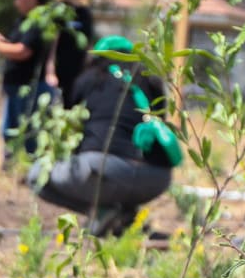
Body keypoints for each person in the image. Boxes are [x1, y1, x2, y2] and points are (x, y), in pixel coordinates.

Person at [29, 36, 178, 236]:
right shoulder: (151, 81)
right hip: (155, 177)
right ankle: (122, 219)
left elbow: (71, 126)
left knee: (37, 175)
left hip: (102, 171)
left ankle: (102, 211)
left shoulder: (89, 78)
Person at [0, 0, 54, 159]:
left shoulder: (38, 20)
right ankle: (12, 169)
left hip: (27, 89)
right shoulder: (24, 20)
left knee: (26, 135)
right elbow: (16, 44)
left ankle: (25, 172)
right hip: (16, 88)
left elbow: (22, 51)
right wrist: (2, 40)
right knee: (9, 132)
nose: (16, 2)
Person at [46, 0, 95, 103]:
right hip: (59, 75)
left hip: (78, 73)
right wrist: (50, 73)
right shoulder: (57, 11)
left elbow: (88, 45)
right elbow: (51, 46)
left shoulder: (85, 13)